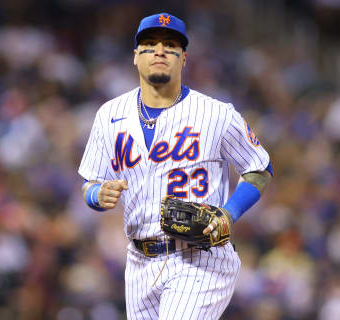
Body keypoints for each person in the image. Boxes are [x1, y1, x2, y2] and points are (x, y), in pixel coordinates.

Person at [78, 12, 273, 320]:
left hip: (200, 258)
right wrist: (96, 195)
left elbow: (259, 167)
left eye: (170, 45)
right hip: (139, 262)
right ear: (135, 56)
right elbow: (90, 182)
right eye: (149, 44)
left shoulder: (216, 113)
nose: (159, 50)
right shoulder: (109, 115)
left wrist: (229, 212)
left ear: (183, 58)